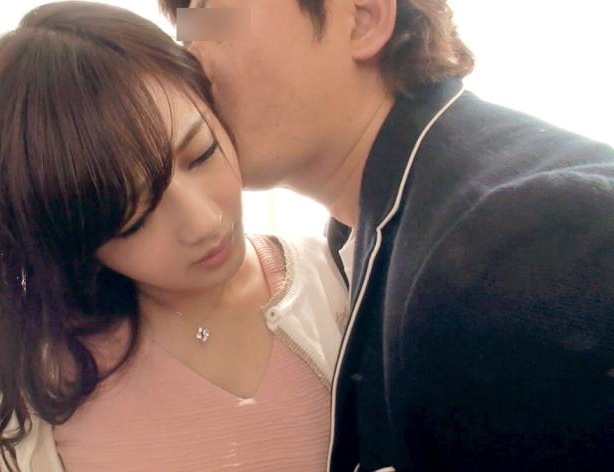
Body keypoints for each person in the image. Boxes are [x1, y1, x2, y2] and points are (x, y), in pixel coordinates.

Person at [159, 0, 614, 470]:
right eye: (185, 28)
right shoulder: (365, 238)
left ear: (363, 18)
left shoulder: (524, 243)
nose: (189, 56)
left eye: (212, 15)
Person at [0, 2, 351, 471]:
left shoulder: (339, 282)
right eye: (134, 217)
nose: (204, 222)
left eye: (201, 155)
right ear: (68, 241)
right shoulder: (40, 393)